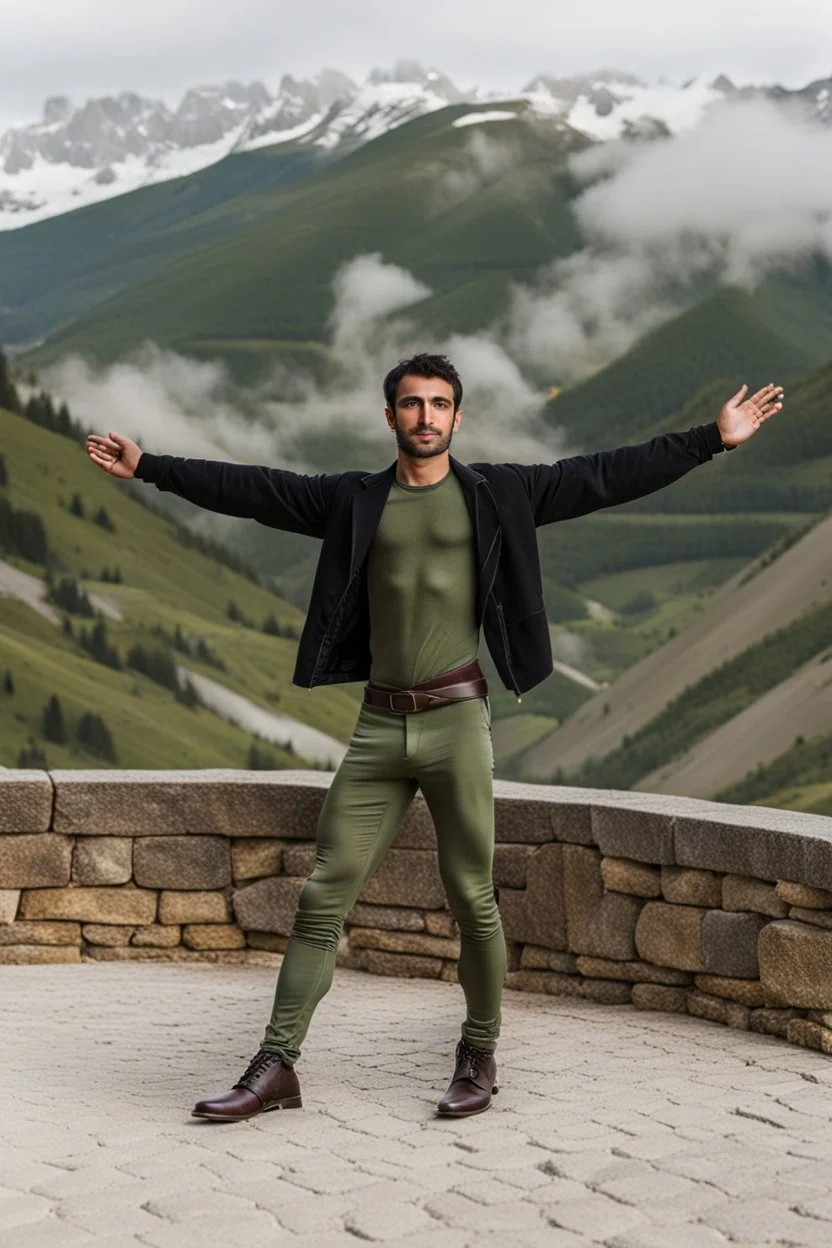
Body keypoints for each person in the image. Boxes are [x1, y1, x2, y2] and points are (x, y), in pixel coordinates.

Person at [85, 353, 783, 1121]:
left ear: (458, 417)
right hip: (379, 727)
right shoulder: (354, 500)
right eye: (411, 405)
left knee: (472, 898)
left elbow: (606, 474)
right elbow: (252, 488)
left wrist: (712, 439)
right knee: (322, 895)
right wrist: (149, 466)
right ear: (390, 417)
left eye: (439, 405)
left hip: (456, 723)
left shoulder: (498, 495)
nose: (425, 417)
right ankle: (275, 1065)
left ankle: (478, 1054)